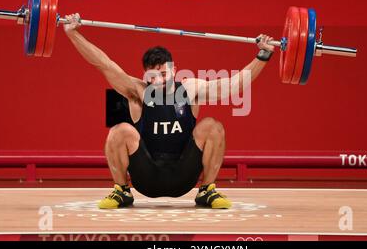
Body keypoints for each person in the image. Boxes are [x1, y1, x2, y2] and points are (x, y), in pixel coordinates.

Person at [64, 13, 275, 209]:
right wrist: (73, 33)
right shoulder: (138, 91)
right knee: (119, 130)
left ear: (174, 69)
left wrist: (263, 55)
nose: (159, 80)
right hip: (146, 177)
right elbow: (103, 64)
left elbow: (234, 85)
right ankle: (122, 191)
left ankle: (206, 191)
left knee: (212, 126)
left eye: (164, 73)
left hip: (183, 174)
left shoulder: (190, 89)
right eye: (153, 76)